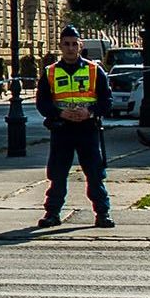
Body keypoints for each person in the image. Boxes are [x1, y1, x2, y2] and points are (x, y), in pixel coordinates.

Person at [38, 24, 113, 228]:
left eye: (74, 44)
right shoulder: (50, 72)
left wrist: (89, 112)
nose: (70, 48)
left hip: (87, 129)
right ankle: (52, 214)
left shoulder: (94, 70)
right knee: (58, 174)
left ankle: (103, 214)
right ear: (60, 47)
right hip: (62, 129)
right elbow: (42, 103)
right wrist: (59, 113)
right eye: (66, 44)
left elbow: (107, 101)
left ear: (80, 46)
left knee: (95, 173)